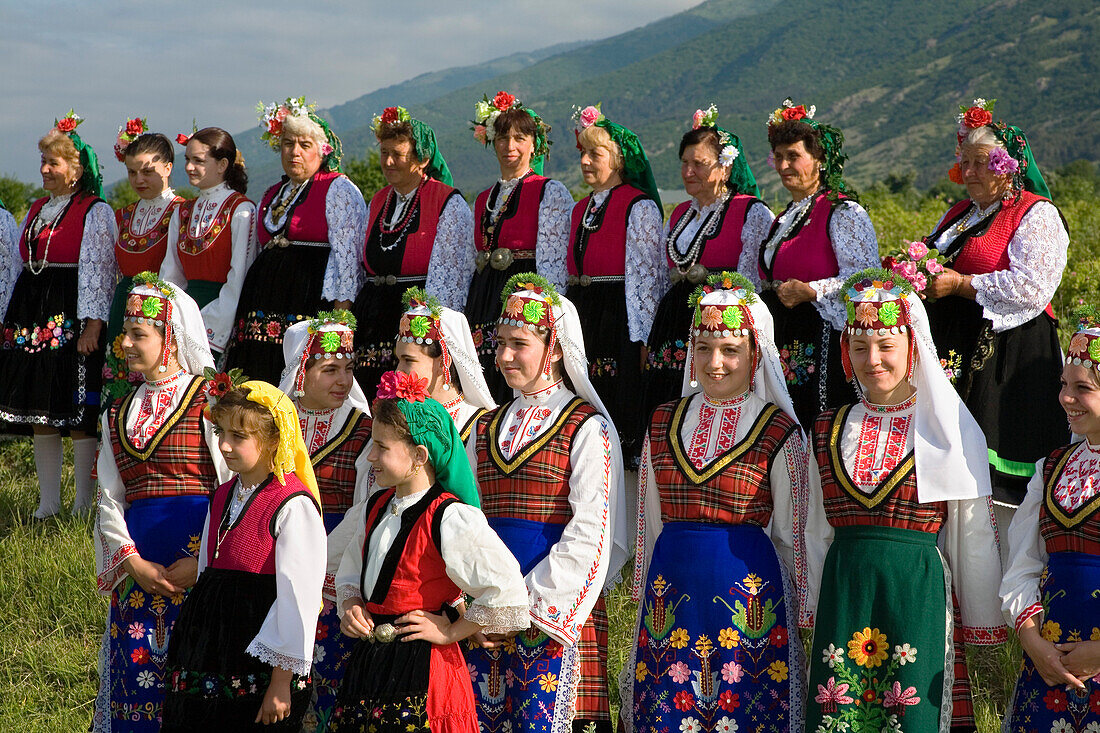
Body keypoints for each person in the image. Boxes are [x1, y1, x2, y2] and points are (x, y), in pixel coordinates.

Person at [806, 269, 1006, 733]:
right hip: (845, 592)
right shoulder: (827, 427)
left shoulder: (947, 429)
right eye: (860, 347)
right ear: (845, 353)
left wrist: (981, 619)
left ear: (913, 348)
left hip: (914, 594)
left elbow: (970, 532)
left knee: (911, 714)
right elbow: (816, 527)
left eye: (886, 346)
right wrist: (812, 602)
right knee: (839, 714)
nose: (872, 359)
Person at [622, 272, 823, 733]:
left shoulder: (779, 432)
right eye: (704, 348)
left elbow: (794, 533)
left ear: (756, 355)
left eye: (731, 350)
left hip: (750, 604)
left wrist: (802, 610)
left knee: (748, 711)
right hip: (668, 596)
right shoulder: (662, 421)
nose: (715, 363)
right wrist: (644, 592)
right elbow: (650, 523)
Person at [465, 273, 629, 733]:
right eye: (499, 343)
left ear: (554, 349)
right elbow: (469, 523)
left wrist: (523, 607)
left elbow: (592, 531)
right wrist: (481, 602)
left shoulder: (587, 426)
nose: (503, 356)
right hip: (486, 611)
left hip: (554, 613)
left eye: (518, 344)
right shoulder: (487, 426)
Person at [329, 370, 528, 732]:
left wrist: (452, 632)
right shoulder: (375, 507)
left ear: (420, 454)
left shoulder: (449, 516)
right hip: (370, 668)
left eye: (382, 447)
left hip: (425, 669)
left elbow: (507, 591)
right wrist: (351, 606)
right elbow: (348, 571)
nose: (370, 457)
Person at [922, 98, 1069, 532]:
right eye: (964, 162)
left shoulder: (1035, 214)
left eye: (981, 162)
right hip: (959, 351)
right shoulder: (961, 214)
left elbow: (1031, 285)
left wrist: (960, 285)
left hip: (1010, 356)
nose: (968, 173)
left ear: (1006, 166)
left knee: (995, 492)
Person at [92, 272, 230, 732]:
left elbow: (234, 489)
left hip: (201, 570)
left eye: (138, 334)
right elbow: (109, 498)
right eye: (125, 333)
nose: (125, 343)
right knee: (136, 683)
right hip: (140, 572)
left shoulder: (210, 401)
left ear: (169, 337)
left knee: (196, 685)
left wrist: (204, 559)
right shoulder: (116, 410)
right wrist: (131, 563)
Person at [161, 380, 326, 732]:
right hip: (207, 651)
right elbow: (207, 572)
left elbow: (298, 600)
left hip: (258, 658)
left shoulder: (293, 504)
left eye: (238, 436)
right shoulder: (222, 495)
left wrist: (281, 681)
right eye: (221, 431)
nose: (223, 444)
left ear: (273, 441)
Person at [0, 111, 114, 517]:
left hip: (72, 312)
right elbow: (16, 265)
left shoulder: (94, 211)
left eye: (54, 163)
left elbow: (101, 269)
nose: (45, 169)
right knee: (37, 407)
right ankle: (48, 503)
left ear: (76, 169)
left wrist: (93, 324)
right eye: (43, 162)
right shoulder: (35, 208)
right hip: (32, 312)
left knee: (78, 409)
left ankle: (83, 504)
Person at [1000, 309, 1100, 732]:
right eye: (1064, 385)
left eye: (1083, 388)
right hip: (1049, 664)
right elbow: (1023, 563)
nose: (1066, 398)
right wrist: (1032, 641)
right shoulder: (1052, 467)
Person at [643, 105, 772, 429]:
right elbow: (660, 279)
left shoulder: (750, 212)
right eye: (684, 163)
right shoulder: (678, 215)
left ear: (725, 167)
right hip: (671, 326)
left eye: (698, 164)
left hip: (718, 329)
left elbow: (751, 286)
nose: (688, 171)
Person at [275, 311, 372, 733]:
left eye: (349, 369)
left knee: (330, 690)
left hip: (335, 574)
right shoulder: (274, 427)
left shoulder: (364, 430)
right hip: (275, 566)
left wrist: (317, 567)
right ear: (301, 371)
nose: (343, 381)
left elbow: (364, 509)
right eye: (329, 369)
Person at [754, 98, 878, 428]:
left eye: (793, 156)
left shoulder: (843, 212)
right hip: (784, 334)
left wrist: (811, 290)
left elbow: (865, 280)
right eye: (778, 157)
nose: (783, 166)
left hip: (820, 340)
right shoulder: (784, 218)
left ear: (819, 159)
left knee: (817, 424)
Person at [224, 97, 366, 384]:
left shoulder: (338, 189)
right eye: (288, 143)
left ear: (322, 151)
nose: (294, 152)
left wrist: (339, 324)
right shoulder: (272, 192)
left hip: (306, 304)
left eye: (305, 145)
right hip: (260, 309)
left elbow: (348, 264)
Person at [567, 104, 664, 461]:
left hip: (618, 317)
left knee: (616, 398)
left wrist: (642, 339)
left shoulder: (638, 206)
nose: (586, 161)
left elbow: (647, 279)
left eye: (596, 153)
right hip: (583, 314)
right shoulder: (579, 209)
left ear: (619, 159)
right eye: (583, 153)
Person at [353, 107, 471, 398]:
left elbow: (451, 282)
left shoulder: (447, 203)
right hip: (371, 322)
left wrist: (425, 335)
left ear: (423, 159)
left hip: (413, 319)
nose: (388, 161)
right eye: (384, 152)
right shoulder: (378, 201)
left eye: (398, 154)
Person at [465, 92, 573, 402]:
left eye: (519, 138)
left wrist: (546, 315)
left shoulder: (549, 191)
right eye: (502, 138)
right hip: (484, 296)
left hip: (523, 292)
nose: (509, 146)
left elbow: (553, 263)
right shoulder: (484, 197)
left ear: (534, 144)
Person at [103, 123, 185, 404]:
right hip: (121, 311)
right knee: (117, 395)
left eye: (147, 171)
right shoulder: (122, 216)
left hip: (158, 313)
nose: (139, 179)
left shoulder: (182, 211)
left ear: (168, 168)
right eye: (132, 172)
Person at [161, 127, 255, 359]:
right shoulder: (182, 212)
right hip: (182, 317)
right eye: (187, 159)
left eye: (198, 161)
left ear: (222, 165)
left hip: (223, 320)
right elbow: (170, 275)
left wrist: (206, 326)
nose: (189, 167)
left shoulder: (241, 210)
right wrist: (172, 319)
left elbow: (239, 279)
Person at [394, 287, 496, 444]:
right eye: (398, 360)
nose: (398, 371)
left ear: (443, 363)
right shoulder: (397, 417)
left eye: (408, 360)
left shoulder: (481, 426)